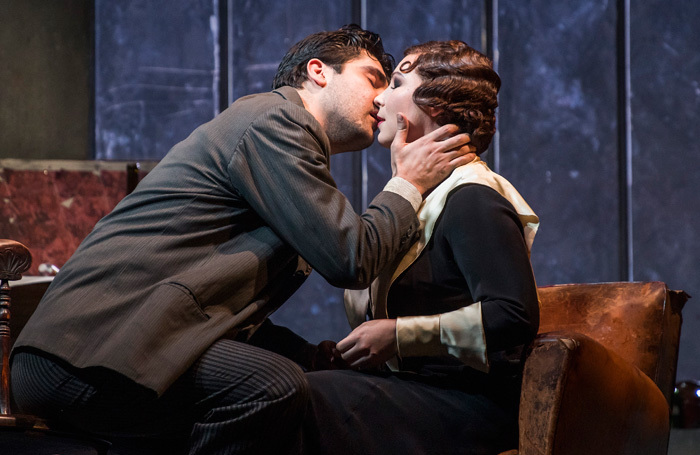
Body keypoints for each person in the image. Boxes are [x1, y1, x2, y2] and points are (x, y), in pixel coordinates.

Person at [9, 26, 475, 455]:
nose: (381, 100)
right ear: (318, 73)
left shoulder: (282, 142)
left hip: (118, 348)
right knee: (271, 386)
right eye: (374, 78)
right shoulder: (275, 121)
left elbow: (209, 304)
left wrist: (314, 354)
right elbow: (349, 257)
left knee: (292, 387)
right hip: (85, 353)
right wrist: (407, 185)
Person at [303, 40, 540, 454]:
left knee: (304, 399)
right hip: (413, 391)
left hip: (466, 405)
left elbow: (514, 313)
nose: (379, 95)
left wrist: (399, 334)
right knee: (283, 384)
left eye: (395, 83)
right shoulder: (420, 198)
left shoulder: (471, 196)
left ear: (434, 105)